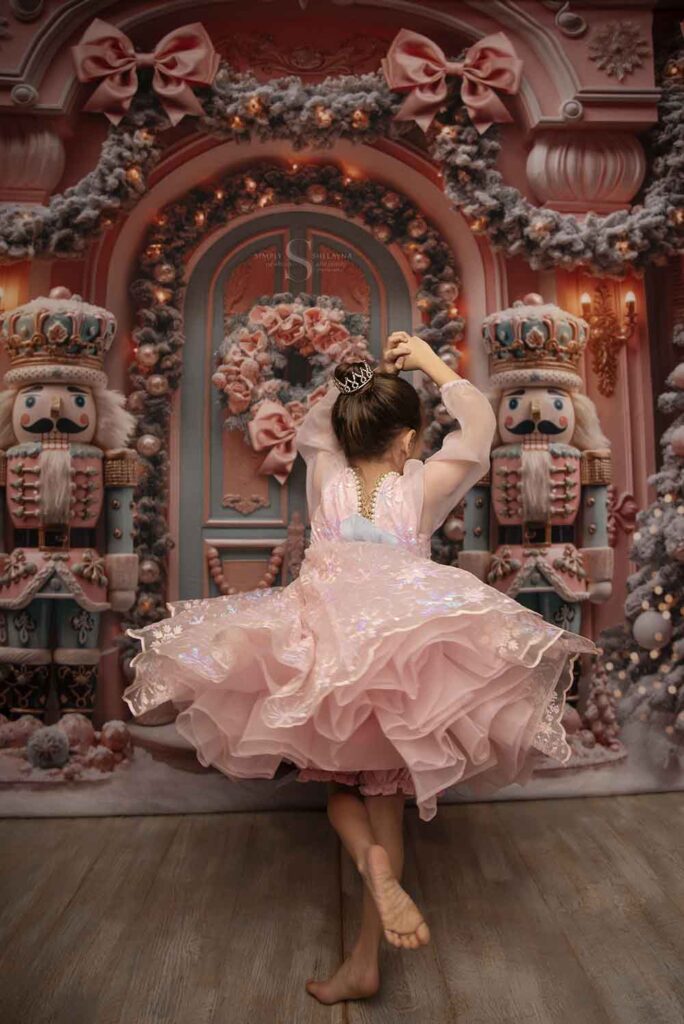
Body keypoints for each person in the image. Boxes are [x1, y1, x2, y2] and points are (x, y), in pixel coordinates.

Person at [122, 333, 595, 1004]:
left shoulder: (326, 478)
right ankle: (367, 951)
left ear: (347, 434)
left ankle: (367, 877)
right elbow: (480, 429)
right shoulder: (423, 487)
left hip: (328, 655)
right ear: (407, 440)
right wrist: (427, 361)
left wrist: (365, 378)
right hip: (404, 665)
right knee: (386, 806)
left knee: (337, 788)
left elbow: (319, 420)